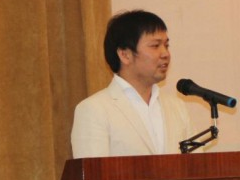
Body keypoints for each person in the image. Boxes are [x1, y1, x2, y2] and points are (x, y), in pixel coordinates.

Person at [71, 10, 196, 158]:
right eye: (155, 45)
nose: (165, 54)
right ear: (125, 55)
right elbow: (93, 171)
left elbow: (196, 165)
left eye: (166, 45)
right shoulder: (94, 110)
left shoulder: (177, 107)